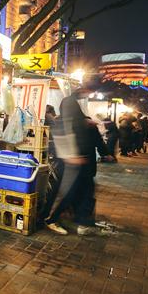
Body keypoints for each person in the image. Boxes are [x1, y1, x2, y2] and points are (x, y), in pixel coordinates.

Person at [45, 86, 114, 236]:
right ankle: (51, 219)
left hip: (79, 165)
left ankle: (81, 220)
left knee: (81, 192)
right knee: (65, 193)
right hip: (70, 165)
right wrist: (71, 157)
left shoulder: (79, 123)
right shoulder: (66, 123)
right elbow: (61, 143)